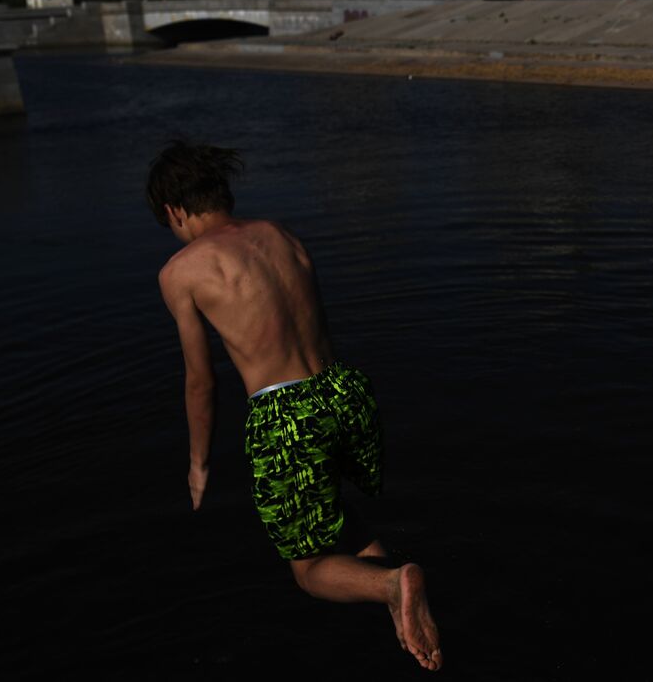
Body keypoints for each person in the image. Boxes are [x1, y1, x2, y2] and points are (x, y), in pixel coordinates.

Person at [147, 140, 443, 671]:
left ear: (173, 210)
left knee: (307, 570)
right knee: (338, 518)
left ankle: (393, 585)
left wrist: (198, 462)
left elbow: (200, 381)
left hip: (286, 416)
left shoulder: (182, 270)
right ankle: (399, 609)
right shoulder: (281, 236)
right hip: (344, 391)